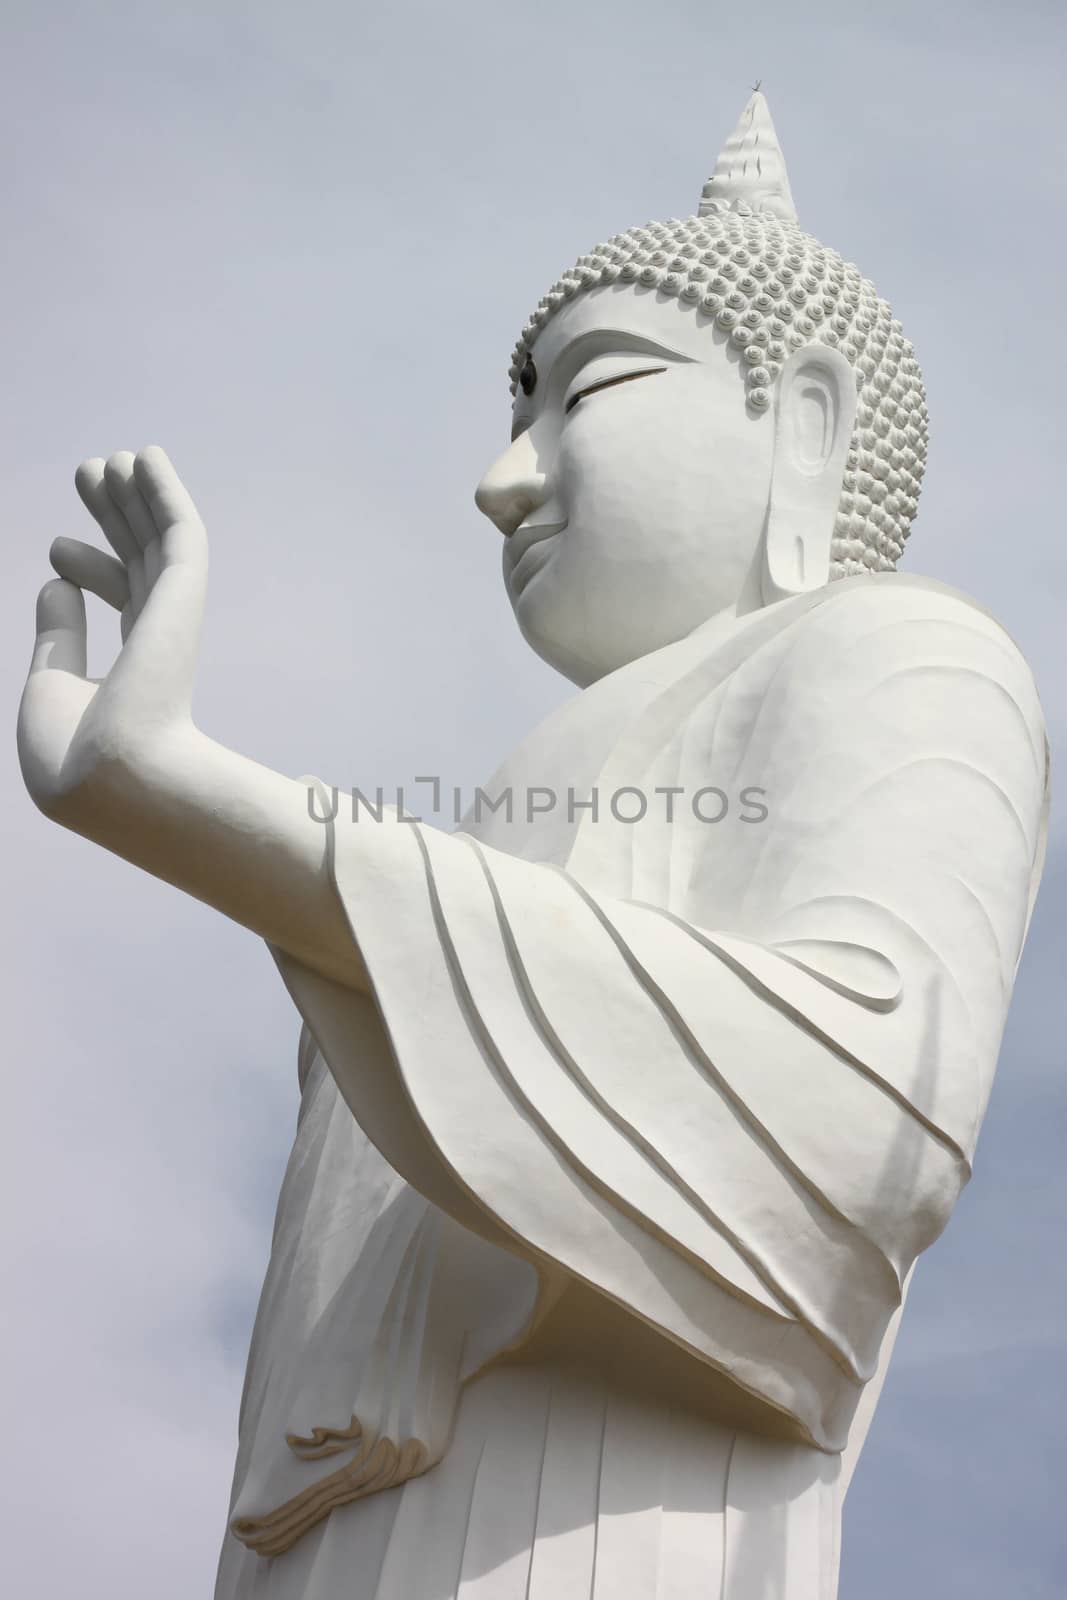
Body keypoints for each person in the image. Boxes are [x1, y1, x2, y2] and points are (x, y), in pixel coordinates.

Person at [17, 93, 1047, 1600]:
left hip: (612, 1526)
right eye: (516, 418)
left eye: (587, 394)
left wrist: (197, 808)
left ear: (806, 422)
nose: (507, 481)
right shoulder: (495, 808)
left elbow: (865, 1120)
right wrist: (242, 846)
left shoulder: (906, 654)